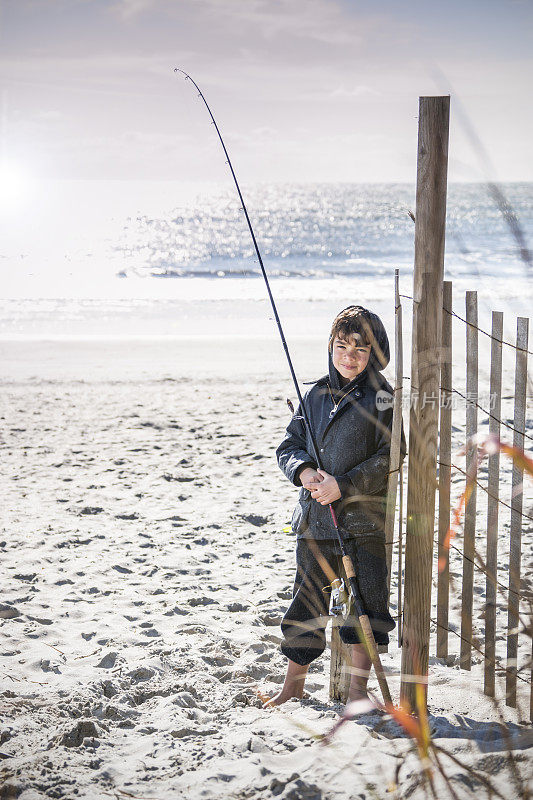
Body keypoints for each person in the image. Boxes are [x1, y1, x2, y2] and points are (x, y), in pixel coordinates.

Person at [263, 305, 405, 708]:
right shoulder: (316, 394)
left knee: (364, 603)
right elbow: (288, 447)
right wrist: (305, 472)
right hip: (314, 522)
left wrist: (342, 484)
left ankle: (359, 691)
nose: (349, 356)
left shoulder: (381, 398)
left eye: (360, 350)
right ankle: (292, 686)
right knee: (306, 600)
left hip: (362, 522)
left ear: (375, 355)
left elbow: (390, 456)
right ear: (331, 347)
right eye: (342, 347)